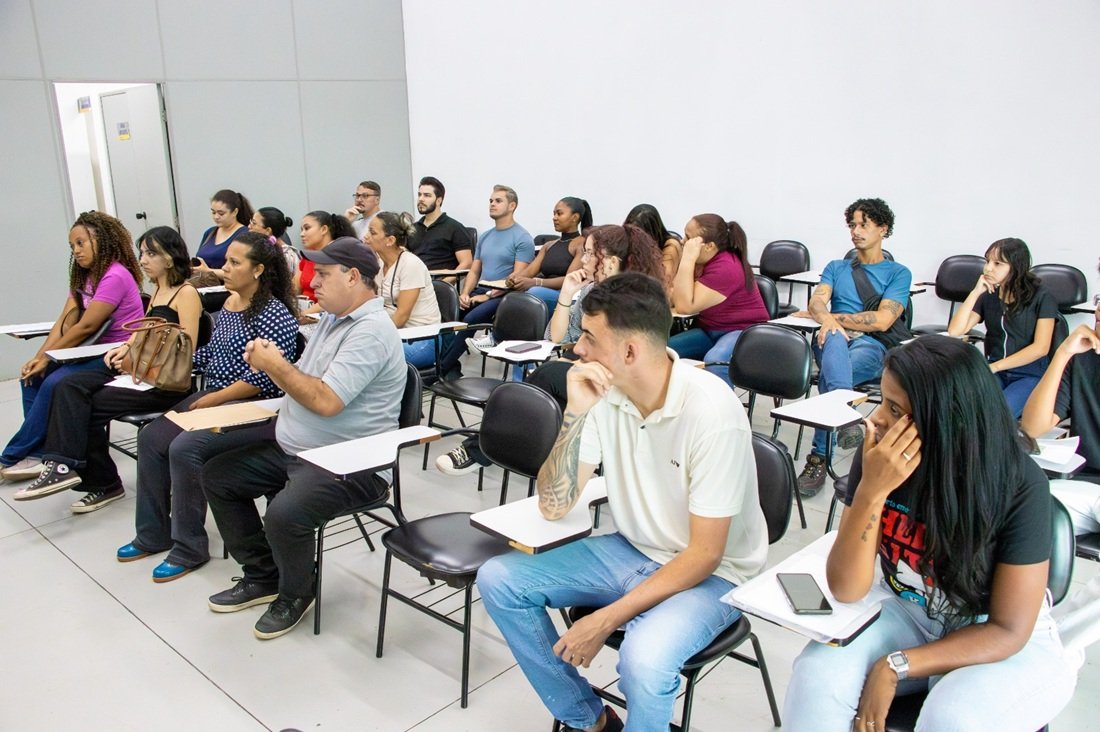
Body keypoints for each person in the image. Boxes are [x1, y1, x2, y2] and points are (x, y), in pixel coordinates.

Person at [478, 273, 768, 732]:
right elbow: (554, 505)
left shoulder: (711, 413)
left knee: (644, 659)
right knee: (498, 579)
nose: (578, 350)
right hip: (634, 548)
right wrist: (573, 414)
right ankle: (589, 720)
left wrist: (607, 619)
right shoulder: (605, 396)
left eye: (590, 338)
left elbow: (705, 553)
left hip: (716, 574)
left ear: (630, 351)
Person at [783, 335, 1077, 731]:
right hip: (909, 609)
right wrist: (872, 491)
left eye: (894, 408)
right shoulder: (880, 458)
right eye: (881, 400)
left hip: (992, 628)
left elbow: (1008, 630)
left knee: (951, 719)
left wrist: (896, 666)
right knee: (816, 677)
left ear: (945, 418)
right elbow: (847, 588)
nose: (877, 419)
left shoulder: (1018, 484)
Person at [201, 237, 405, 639]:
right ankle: (263, 575)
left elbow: (326, 400)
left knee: (284, 513)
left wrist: (275, 365)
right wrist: (273, 374)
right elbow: (304, 380)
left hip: (351, 461)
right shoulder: (332, 317)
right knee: (219, 476)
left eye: (324, 275)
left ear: (352, 277)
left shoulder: (371, 331)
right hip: (302, 449)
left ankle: (296, 592)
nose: (312, 284)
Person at [113, 233, 298, 582]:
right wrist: (159, 363)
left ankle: (189, 547)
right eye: (226, 261)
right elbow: (211, 355)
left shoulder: (275, 313)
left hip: (256, 406)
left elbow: (265, 379)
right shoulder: (229, 305)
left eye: (234, 263)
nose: (224, 269)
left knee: (185, 448)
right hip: (215, 395)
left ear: (258, 270)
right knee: (152, 439)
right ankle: (153, 533)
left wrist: (214, 399)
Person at [435, 225, 664, 476]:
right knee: (538, 396)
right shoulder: (590, 290)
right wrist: (566, 293)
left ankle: (479, 449)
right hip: (581, 371)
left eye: (589, 254)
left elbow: (625, 361)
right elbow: (556, 337)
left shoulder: (639, 299)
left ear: (610, 262)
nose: (583, 260)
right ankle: (501, 451)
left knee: (545, 376)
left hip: (619, 384)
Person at [13, 227, 202, 511]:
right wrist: (125, 349)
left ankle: (91, 478)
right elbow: (141, 332)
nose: (143, 260)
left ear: (171, 257)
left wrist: (136, 358)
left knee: (80, 403)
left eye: (151, 253)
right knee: (69, 388)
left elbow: (186, 346)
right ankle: (70, 469)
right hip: (142, 374)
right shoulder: (159, 291)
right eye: (142, 253)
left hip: (165, 384)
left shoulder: (185, 294)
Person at [1, 211, 144, 481]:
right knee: (32, 377)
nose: (76, 251)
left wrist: (48, 359)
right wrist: (39, 357)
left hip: (117, 355)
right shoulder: (85, 276)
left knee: (57, 382)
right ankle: (38, 451)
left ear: (101, 241)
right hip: (89, 351)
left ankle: (11, 455)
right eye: (72, 246)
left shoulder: (115, 275)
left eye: (81, 243)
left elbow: (86, 327)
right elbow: (64, 322)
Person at [793, 198, 912, 497]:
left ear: (883, 230)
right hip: (831, 341)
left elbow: (883, 321)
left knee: (832, 381)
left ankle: (819, 458)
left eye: (863, 225)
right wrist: (831, 323)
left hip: (872, 345)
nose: (855, 231)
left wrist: (830, 319)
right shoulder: (836, 267)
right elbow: (816, 301)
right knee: (833, 338)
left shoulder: (898, 273)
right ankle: (844, 417)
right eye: (852, 225)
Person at [1021, 263, 1100, 536]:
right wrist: (1063, 354)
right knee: (1019, 507)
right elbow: (1032, 428)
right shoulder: (1082, 359)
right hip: (1085, 487)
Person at [947, 238, 1057, 417]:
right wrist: (975, 293)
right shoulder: (989, 294)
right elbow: (955, 331)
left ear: (1015, 267)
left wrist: (995, 367)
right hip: (995, 371)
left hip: (1028, 375)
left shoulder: (1042, 296)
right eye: (987, 261)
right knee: (961, 406)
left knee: (997, 415)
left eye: (997, 263)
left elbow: (1040, 348)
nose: (988, 268)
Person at [438, 185, 535, 379]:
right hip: (480, 292)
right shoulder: (486, 236)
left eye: (498, 201)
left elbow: (516, 279)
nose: (492, 204)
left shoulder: (522, 238)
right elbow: (474, 271)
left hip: (505, 295)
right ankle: (448, 367)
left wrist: (487, 295)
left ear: (512, 206)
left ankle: (440, 369)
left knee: (470, 320)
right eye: (491, 200)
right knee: (448, 313)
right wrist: (465, 293)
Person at [668, 214, 770, 387]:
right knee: (661, 351)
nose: (683, 242)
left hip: (742, 331)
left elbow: (684, 306)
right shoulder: (703, 261)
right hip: (711, 329)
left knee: (715, 361)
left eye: (689, 238)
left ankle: (724, 410)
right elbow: (676, 297)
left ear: (709, 246)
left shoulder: (727, 266)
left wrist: (687, 259)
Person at [366, 211, 441, 368]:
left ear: (390, 240)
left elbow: (401, 316)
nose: (366, 236)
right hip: (396, 335)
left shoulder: (410, 264)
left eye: (372, 233)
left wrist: (372, 337)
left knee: (368, 356)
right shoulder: (379, 264)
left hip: (422, 339)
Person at [505, 196, 591, 312]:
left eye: (559, 214)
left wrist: (536, 282)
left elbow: (570, 280)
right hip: (540, 290)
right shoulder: (548, 245)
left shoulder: (582, 245)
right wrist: (515, 278)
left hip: (563, 295)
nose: (554, 218)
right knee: (510, 294)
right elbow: (529, 272)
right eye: (554, 214)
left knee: (532, 293)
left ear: (574, 217)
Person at [296, 210, 357, 313]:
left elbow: (336, 297)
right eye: (301, 230)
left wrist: (302, 315)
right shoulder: (307, 256)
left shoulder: (339, 256)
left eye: (307, 228)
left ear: (324, 229)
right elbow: (294, 287)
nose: (302, 234)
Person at [410, 176, 474, 271]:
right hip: (413, 281)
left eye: (427, 195)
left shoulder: (455, 228)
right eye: (419, 194)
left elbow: (467, 263)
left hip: (439, 281)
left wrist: (445, 283)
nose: (421, 199)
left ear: (438, 201)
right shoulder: (412, 229)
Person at [192, 189, 254, 281]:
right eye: (213, 212)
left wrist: (209, 271)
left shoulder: (245, 234)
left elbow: (244, 271)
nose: (216, 217)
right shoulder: (210, 233)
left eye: (221, 213)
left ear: (235, 212)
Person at [623, 203, 682, 285]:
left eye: (637, 232)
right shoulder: (627, 237)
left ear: (650, 232)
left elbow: (664, 280)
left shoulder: (671, 245)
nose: (633, 236)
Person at [249, 206, 300, 274]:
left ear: (268, 231)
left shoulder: (287, 257)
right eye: (251, 222)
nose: (249, 226)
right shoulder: (255, 249)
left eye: (254, 223)